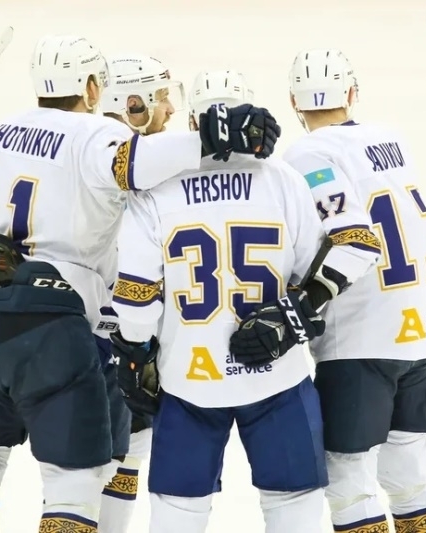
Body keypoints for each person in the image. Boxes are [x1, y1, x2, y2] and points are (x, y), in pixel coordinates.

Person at [0, 34, 281, 533]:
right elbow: (132, 163)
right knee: (77, 480)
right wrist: (213, 135)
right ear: (95, 87)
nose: (170, 109)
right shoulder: (97, 138)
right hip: (59, 327)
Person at [231, 48, 426, 533]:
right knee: (409, 474)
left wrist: (303, 301)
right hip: (423, 324)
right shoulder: (390, 138)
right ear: (351, 93)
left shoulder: (308, 154)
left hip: (363, 334)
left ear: (293, 101)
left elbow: (355, 241)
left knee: (349, 481)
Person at [108, 69, 330, 533]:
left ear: (193, 122)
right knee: (294, 506)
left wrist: (136, 350)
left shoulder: (158, 188)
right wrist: (293, 317)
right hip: (278, 375)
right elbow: (315, 274)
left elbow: (135, 295)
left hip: (188, 378)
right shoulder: (284, 179)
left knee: (177, 512)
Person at [96, 53, 185, 533]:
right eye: (162, 98)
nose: (170, 110)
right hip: (112, 338)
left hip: (112, 333)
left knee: (117, 457)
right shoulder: (132, 164)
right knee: (86, 472)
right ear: (133, 104)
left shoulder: (92, 150)